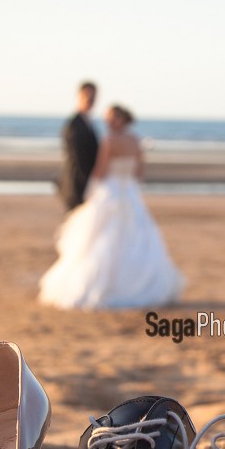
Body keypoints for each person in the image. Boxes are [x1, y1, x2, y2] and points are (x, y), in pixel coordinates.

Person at [39, 105, 184, 309]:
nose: (109, 121)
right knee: (135, 238)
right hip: (129, 192)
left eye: (113, 117)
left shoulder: (109, 140)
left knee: (101, 238)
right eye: (108, 117)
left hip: (111, 191)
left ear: (123, 119)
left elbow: (100, 171)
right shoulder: (135, 140)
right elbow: (139, 172)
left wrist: (91, 192)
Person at [59, 81, 98, 210]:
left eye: (93, 97)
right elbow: (77, 159)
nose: (90, 100)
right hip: (77, 187)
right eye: (87, 95)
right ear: (79, 96)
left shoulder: (88, 122)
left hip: (86, 185)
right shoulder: (74, 124)